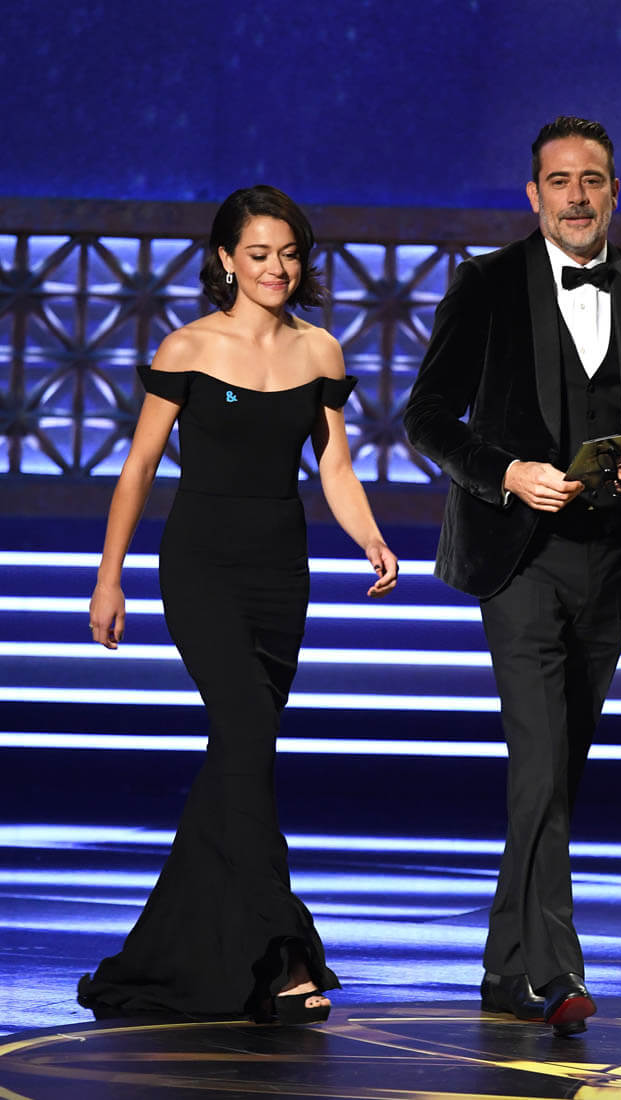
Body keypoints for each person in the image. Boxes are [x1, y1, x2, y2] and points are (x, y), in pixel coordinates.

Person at [404, 117, 621, 1036]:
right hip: (520, 558)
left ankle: (503, 965)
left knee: (556, 774)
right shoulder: (486, 284)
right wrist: (506, 473)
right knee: (539, 763)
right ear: (533, 194)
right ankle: (554, 972)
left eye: (592, 179)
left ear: (614, 191)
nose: (577, 196)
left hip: (609, 560)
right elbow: (426, 415)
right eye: (560, 180)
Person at [78, 184, 398, 1025]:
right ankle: (285, 953)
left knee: (239, 757)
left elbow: (334, 466)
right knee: (248, 734)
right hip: (200, 569)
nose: (275, 269)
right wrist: (109, 575)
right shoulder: (187, 347)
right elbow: (139, 467)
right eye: (258, 254)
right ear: (225, 258)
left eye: (288, 254)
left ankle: (174, 956)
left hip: (279, 574)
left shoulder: (320, 351)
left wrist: (369, 536)